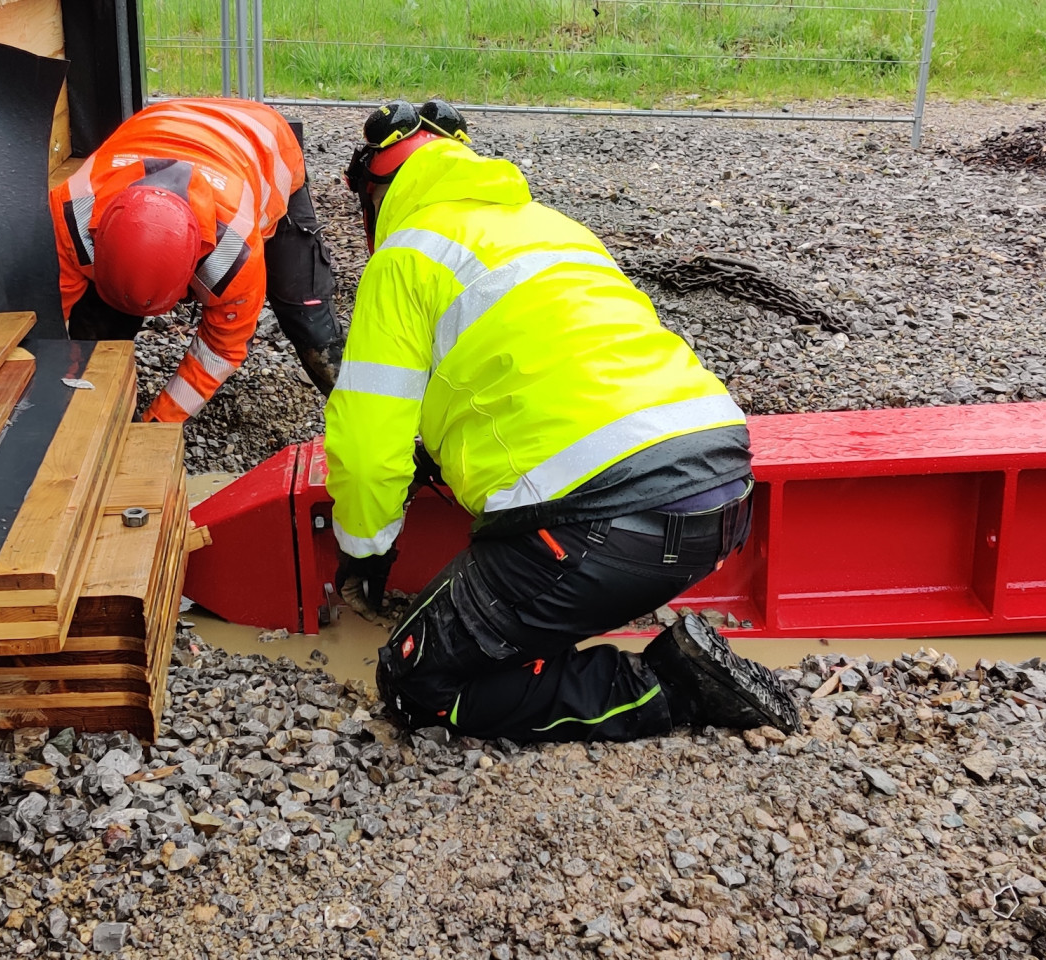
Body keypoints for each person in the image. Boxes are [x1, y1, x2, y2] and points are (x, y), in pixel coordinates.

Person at [326, 100, 799, 742]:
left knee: (418, 685)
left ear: (380, 195)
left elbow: (364, 448)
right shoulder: (553, 226)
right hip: (724, 492)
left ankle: (670, 689)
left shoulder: (406, 255)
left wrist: (365, 552)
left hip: (604, 525)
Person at [49, 98, 342, 422]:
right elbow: (49, 316)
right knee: (95, 321)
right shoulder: (69, 213)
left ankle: (365, 417)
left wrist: (158, 425)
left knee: (307, 319)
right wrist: (61, 387)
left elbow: (220, 348)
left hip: (263, 140)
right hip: (167, 122)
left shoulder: (235, 251)